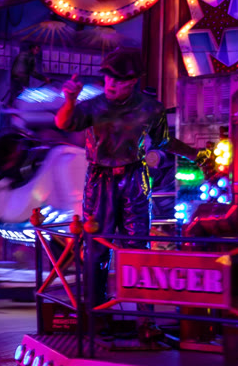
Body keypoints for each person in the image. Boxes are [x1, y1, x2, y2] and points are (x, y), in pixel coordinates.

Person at [54, 50, 183, 300]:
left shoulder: (151, 108)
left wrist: (196, 154)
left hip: (134, 177)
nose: (111, 83)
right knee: (96, 245)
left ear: (133, 80)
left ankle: (144, 313)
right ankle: (95, 311)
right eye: (108, 77)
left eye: (119, 79)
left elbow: (164, 141)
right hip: (100, 179)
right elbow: (63, 123)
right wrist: (70, 100)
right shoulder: (94, 106)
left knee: (137, 245)